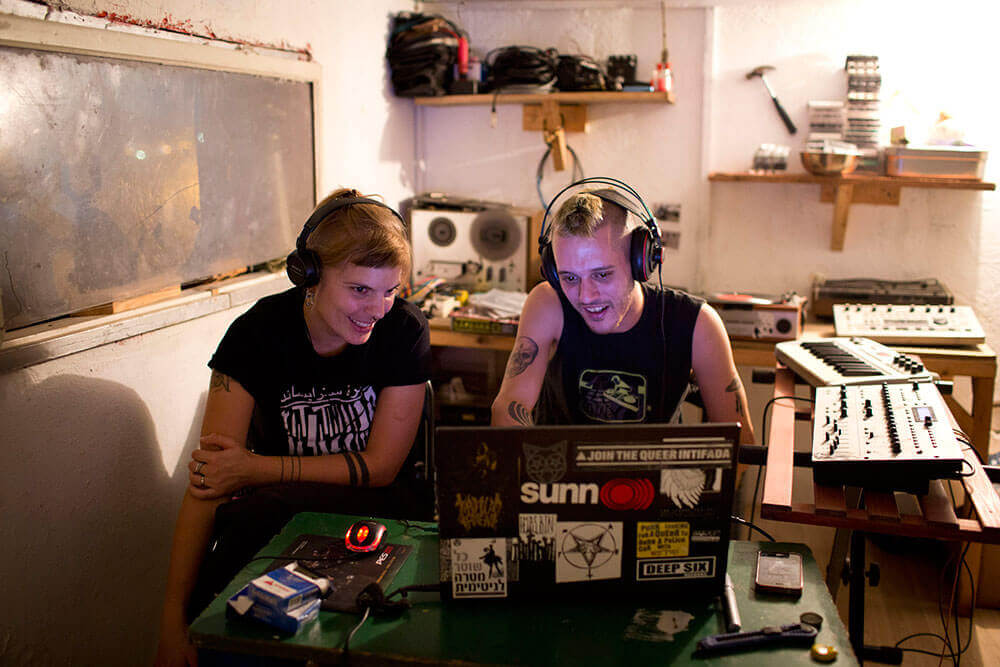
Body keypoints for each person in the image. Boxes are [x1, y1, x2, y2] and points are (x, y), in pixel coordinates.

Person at [155, 189, 430, 666]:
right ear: (310, 276)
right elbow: (210, 481)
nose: (377, 309)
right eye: (360, 290)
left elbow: (382, 467)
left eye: (389, 291)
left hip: (380, 520)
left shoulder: (403, 329)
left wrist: (257, 469)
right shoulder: (255, 335)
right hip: (279, 528)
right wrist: (173, 618)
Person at [491, 182, 755, 449]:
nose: (586, 296)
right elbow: (508, 407)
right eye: (570, 278)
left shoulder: (697, 324)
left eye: (602, 275)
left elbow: (741, 446)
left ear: (641, 262)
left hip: (657, 475)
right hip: (558, 473)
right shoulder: (548, 303)